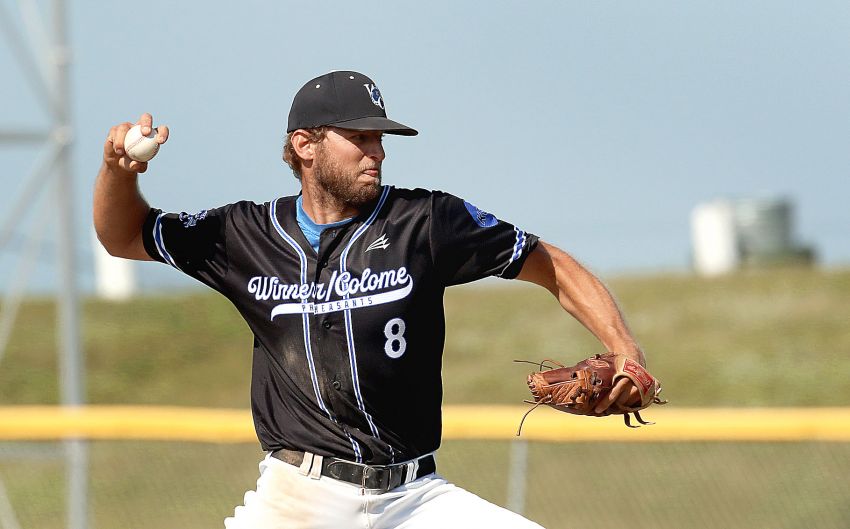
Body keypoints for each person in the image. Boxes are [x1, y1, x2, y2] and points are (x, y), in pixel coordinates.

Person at [94, 70, 647, 529]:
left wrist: (625, 349)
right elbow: (123, 237)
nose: (376, 152)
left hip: (414, 500)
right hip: (299, 503)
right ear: (304, 145)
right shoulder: (245, 236)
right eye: (359, 138)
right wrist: (118, 172)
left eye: (380, 139)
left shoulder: (426, 222)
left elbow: (549, 264)